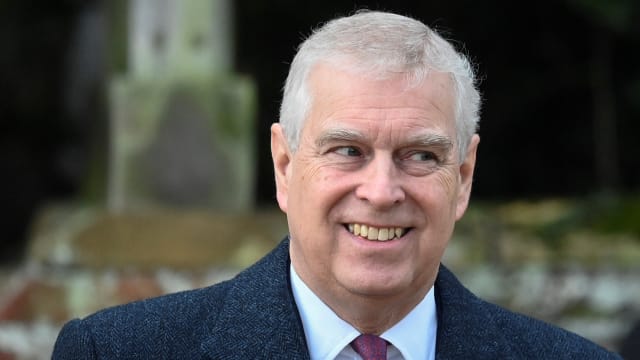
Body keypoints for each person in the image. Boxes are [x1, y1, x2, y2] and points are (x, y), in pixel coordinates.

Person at [52, 10, 622, 359]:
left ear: (464, 177)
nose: (381, 190)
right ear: (283, 165)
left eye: (420, 155)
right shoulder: (121, 352)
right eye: (347, 151)